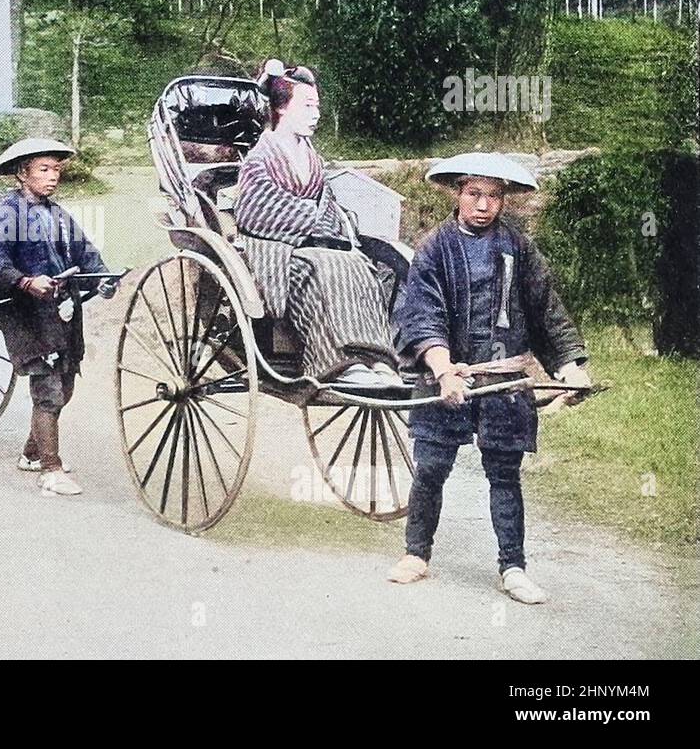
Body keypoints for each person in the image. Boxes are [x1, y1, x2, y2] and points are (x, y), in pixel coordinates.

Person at [387, 152, 591, 604]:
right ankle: (417, 554)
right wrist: (442, 371)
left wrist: (570, 367)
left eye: (493, 196)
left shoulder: (518, 249)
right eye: (474, 194)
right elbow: (423, 318)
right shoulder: (434, 248)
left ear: (503, 201)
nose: (483, 205)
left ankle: (513, 567)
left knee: (504, 473)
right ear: (458, 193)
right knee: (432, 468)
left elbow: (546, 312)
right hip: (448, 376)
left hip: (503, 379)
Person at [235, 59, 399, 386]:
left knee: (359, 265)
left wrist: (326, 221)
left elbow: (328, 203)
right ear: (281, 109)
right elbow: (254, 212)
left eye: (317, 106)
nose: (316, 114)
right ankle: (336, 363)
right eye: (307, 106)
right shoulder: (259, 158)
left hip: (311, 244)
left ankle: (375, 358)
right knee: (322, 269)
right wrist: (313, 217)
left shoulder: (312, 159)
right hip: (273, 249)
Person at [0, 138, 115, 496]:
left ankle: (32, 452)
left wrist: (103, 278)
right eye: (44, 169)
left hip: (61, 310)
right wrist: (24, 281)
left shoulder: (59, 215)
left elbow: (87, 254)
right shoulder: (8, 214)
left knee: (65, 384)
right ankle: (51, 471)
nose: (53, 176)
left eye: (56, 169)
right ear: (23, 173)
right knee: (48, 389)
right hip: (25, 312)